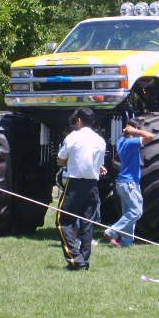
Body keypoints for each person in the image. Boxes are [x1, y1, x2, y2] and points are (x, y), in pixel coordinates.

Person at [56, 108, 106, 270]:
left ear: (79, 121)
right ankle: (84, 260)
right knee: (87, 223)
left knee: (63, 221)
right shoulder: (100, 140)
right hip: (92, 186)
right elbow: (99, 165)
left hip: (75, 184)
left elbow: (60, 161)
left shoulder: (73, 137)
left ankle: (75, 258)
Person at [103, 119, 154, 247]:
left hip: (122, 183)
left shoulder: (121, 141)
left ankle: (126, 242)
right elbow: (151, 136)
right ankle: (112, 231)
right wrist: (135, 131)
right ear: (132, 131)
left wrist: (131, 131)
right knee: (136, 211)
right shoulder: (131, 142)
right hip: (129, 183)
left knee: (128, 213)